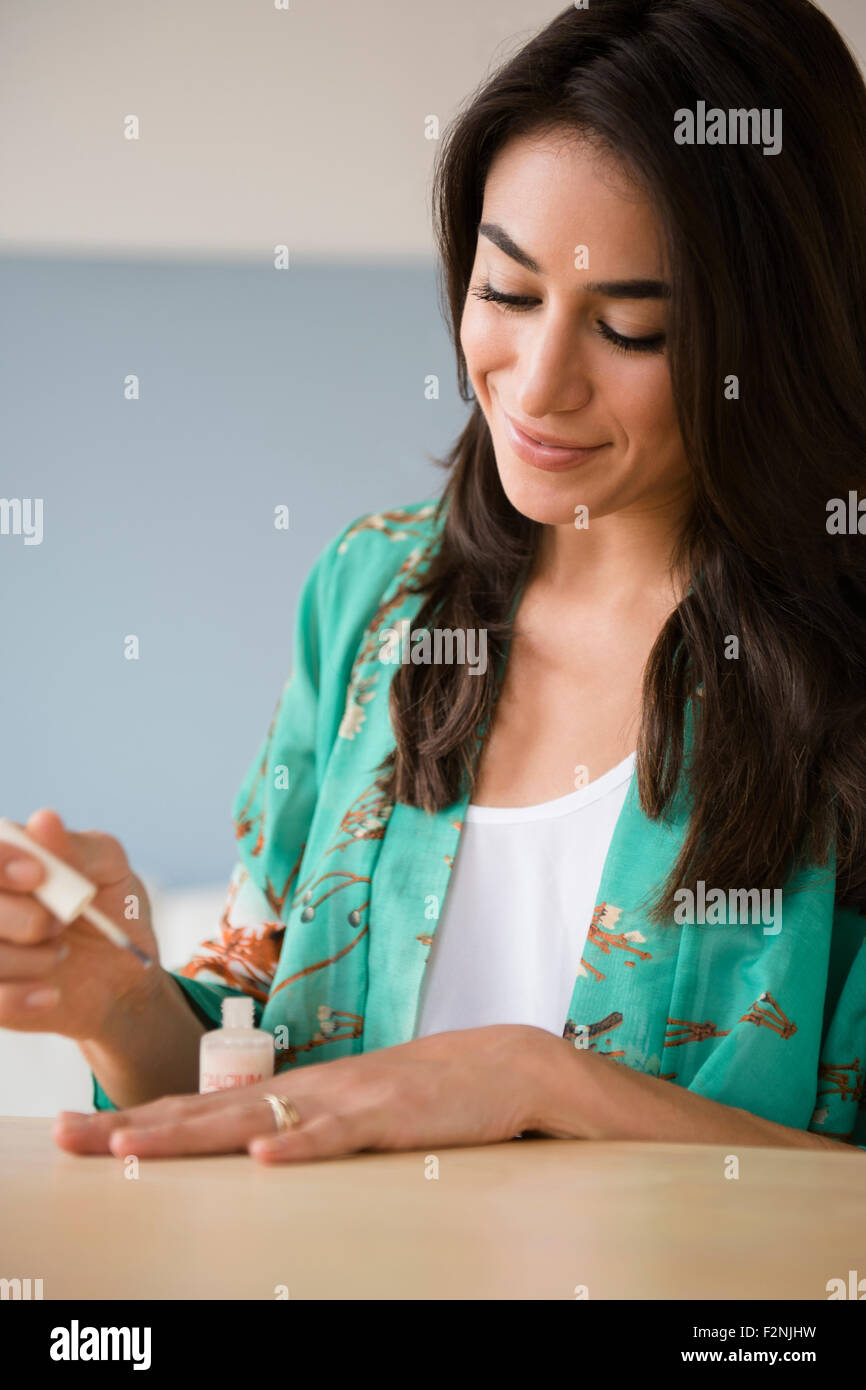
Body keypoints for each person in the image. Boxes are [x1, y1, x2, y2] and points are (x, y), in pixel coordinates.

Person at [3, 0, 866, 1162]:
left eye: (630, 330)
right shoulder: (374, 595)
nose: (535, 382)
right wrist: (121, 1006)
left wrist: (531, 1080)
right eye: (506, 294)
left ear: (774, 337)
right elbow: (267, 1086)